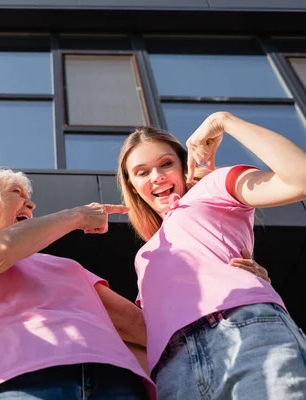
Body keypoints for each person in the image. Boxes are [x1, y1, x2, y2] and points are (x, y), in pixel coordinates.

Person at [117, 111, 306, 399]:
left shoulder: (211, 187)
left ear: (183, 167)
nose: (156, 177)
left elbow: (300, 179)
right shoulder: (145, 254)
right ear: (132, 185)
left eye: (166, 164)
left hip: (240, 328)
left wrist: (225, 121)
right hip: (174, 369)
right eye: (142, 172)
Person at [0, 168, 157, 400]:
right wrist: (77, 215)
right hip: (17, 381)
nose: (31, 204)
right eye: (17, 192)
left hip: (114, 380)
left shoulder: (67, 266)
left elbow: (134, 324)